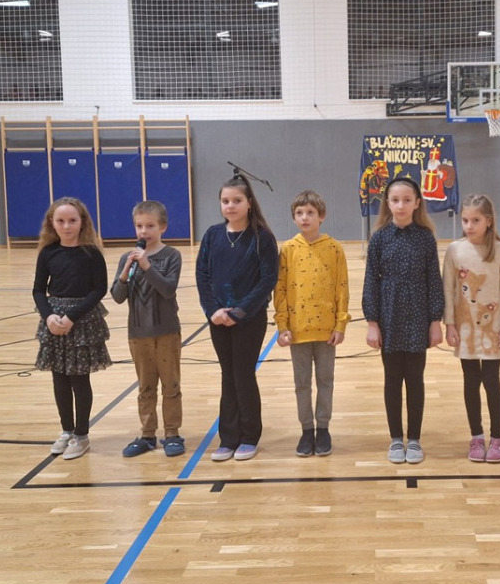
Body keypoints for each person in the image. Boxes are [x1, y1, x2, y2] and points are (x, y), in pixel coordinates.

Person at [196, 175, 278, 462]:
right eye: (225, 201)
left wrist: (239, 312)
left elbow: (267, 280)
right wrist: (213, 311)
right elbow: (202, 276)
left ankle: (249, 436)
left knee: (243, 375)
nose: (230, 206)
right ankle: (228, 438)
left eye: (236, 200)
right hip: (218, 319)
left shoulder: (262, 237)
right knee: (227, 375)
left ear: (249, 203)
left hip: (248, 319)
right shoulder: (212, 235)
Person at [362, 176, 444, 465]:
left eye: (407, 200)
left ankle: (415, 439)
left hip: (418, 315)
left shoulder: (425, 238)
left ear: (417, 203)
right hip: (389, 315)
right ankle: (396, 438)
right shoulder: (379, 238)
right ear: (387, 203)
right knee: (392, 379)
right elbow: (370, 281)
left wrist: (435, 320)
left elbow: (434, 281)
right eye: (395, 200)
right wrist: (372, 322)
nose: (401, 205)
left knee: (415, 379)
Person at [32, 197, 111, 460]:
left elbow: (99, 289)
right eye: (61, 221)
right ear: (52, 223)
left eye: (72, 220)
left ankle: (81, 434)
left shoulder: (91, 253)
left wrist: (72, 317)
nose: (66, 226)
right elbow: (38, 289)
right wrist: (49, 317)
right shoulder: (48, 252)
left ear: (82, 222)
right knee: (59, 378)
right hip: (54, 319)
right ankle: (66, 430)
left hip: (82, 320)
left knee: (79, 378)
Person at [274, 190, 350, 457]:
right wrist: (282, 325)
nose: (305, 218)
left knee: (325, 381)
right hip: (298, 332)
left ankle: (324, 428)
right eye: (299, 213)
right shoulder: (288, 250)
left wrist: (340, 325)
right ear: (294, 218)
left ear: (322, 216)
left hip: (327, 331)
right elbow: (280, 289)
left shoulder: (334, 248)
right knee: (302, 383)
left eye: (310, 213)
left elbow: (342, 288)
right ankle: (307, 429)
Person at [442, 194, 500, 463]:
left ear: (489, 221)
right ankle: (476, 436)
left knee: (491, 380)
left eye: (475, 220)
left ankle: (497, 437)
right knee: (471, 380)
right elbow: (448, 290)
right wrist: (450, 324)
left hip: (492, 328)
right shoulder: (454, 250)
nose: (469, 226)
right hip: (465, 329)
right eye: (465, 220)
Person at [110, 201, 185, 458]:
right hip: (138, 333)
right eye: (139, 226)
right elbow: (117, 296)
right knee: (145, 386)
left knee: (170, 385)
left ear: (163, 227)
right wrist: (125, 272)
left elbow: (168, 289)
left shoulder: (171, 255)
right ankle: (147, 434)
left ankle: (172, 433)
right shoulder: (127, 259)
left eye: (150, 226)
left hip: (166, 332)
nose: (144, 231)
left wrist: (146, 266)